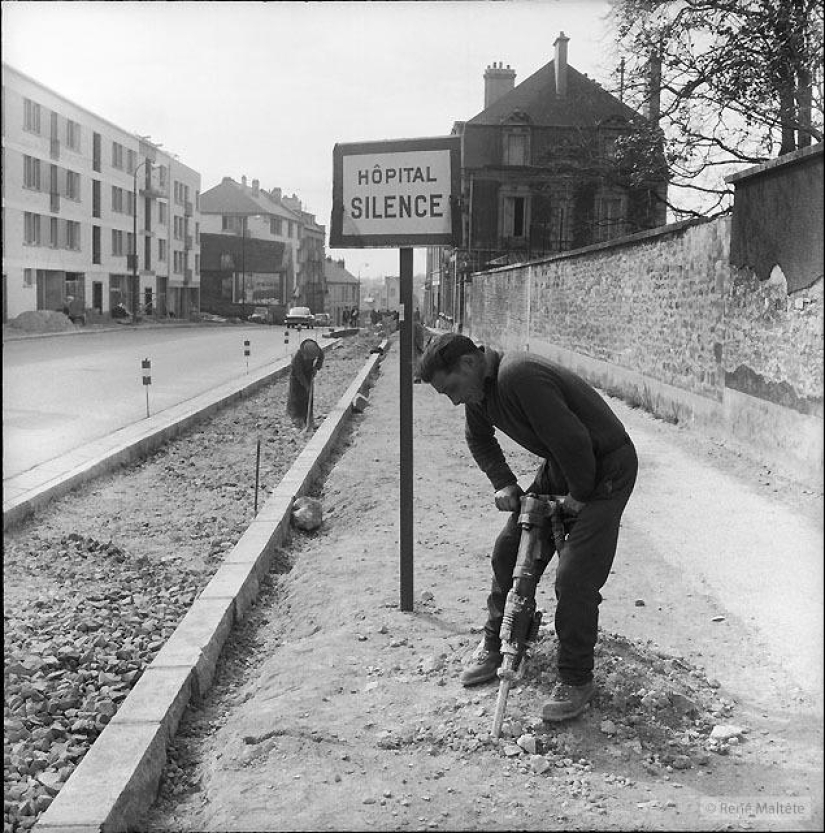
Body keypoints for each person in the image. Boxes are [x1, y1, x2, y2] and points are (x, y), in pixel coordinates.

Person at [416, 333, 637, 722]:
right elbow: (478, 438)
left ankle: (575, 679)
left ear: (468, 363)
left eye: (451, 389)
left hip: (605, 468)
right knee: (509, 550)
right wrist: (504, 482)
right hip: (565, 464)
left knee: (575, 576)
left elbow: (574, 440)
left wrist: (578, 497)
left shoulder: (517, 376)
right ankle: (498, 644)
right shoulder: (479, 393)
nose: (453, 400)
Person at [286, 338, 324, 429]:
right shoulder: (297, 358)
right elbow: (299, 374)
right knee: (297, 398)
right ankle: (298, 419)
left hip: (308, 373)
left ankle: (309, 419)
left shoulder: (316, 351)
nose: (308, 359)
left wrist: (316, 367)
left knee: (308, 398)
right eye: (307, 357)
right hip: (296, 377)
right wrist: (306, 386)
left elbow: (321, 356)